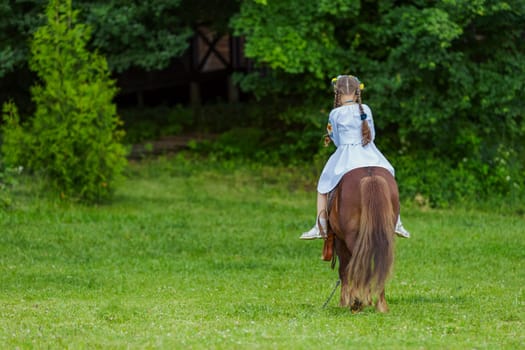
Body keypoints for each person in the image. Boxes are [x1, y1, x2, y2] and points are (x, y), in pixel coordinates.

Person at [300, 74, 411, 240]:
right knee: (390, 175)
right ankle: (397, 222)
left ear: (337, 93)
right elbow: (371, 134)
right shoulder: (366, 109)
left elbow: (335, 137)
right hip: (368, 151)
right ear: (357, 92)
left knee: (323, 185)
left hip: (346, 154)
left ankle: (320, 225)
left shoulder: (335, 113)